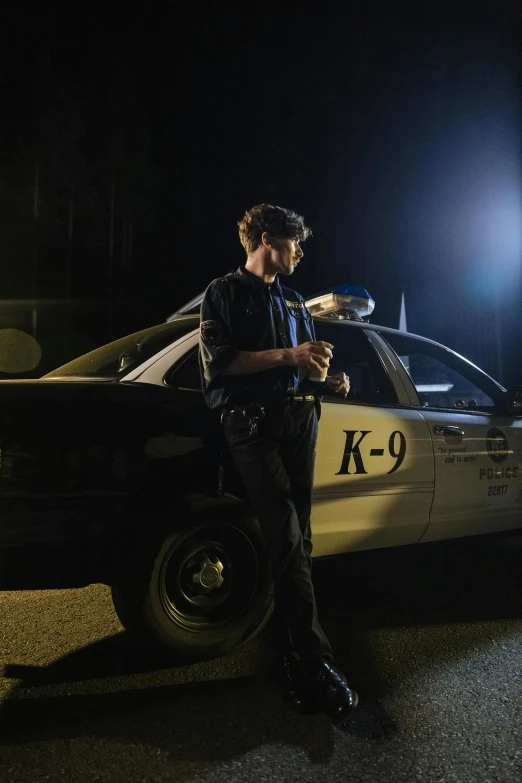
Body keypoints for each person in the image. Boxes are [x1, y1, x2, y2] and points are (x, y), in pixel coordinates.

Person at [198, 204, 358, 723]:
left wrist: (327, 379)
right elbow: (221, 365)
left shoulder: (293, 301)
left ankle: (289, 654)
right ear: (267, 239)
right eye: (296, 241)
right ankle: (315, 663)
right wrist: (291, 357)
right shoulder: (222, 292)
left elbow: (303, 371)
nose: (302, 251)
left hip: (299, 421)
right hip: (250, 426)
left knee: (299, 538)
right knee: (287, 536)